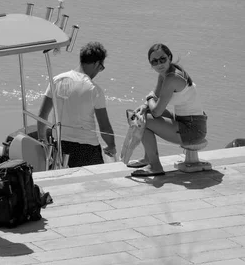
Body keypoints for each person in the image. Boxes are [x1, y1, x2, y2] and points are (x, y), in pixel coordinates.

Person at [128, 43, 207, 177]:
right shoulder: (165, 74)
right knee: (141, 114)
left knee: (142, 120)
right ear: (151, 64)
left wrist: (148, 99)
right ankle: (148, 159)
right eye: (154, 61)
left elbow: (156, 111)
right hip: (187, 122)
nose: (159, 64)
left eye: (162, 59)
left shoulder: (171, 78)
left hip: (192, 129)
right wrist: (146, 105)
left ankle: (155, 166)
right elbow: (156, 98)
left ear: (169, 57)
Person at [37, 41, 116, 168]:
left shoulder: (57, 80)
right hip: (87, 149)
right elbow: (104, 127)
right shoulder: (94, 89)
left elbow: (42, 116)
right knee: (94, 183)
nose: (99, 71)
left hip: (60, 146)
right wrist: (112, 146)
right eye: (101, 67)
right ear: (96, 63)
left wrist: (43, 141)